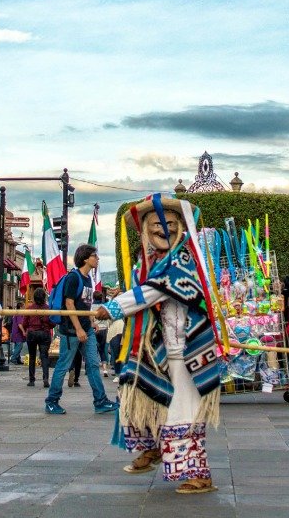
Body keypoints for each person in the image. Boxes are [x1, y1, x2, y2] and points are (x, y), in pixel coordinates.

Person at [95, 194, 224, 494]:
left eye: (170, 224)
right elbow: (145, 291)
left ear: (181, 227)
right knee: (144, 392)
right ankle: (153, 447)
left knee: (185, 412)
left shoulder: (183, 261)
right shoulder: (149, 262)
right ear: (145, 230)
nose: (164, 230)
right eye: (156, 225)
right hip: (160, 347)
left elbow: (152, 292)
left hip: (187, 348)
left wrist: (114, 307)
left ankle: (199, 473)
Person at [45, 245, 115, 416]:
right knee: (63, 365)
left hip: (86, 329)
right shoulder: (73, 278)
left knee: (92, 364)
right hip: (70, 330)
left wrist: (91, 322)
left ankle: (100, 401)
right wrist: (78, 329)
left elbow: (85, 304)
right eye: (94, 256)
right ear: (85, 258)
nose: (97, 259)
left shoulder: (88, 279)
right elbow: (69, 304)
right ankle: (52, 401)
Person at [23, 288, 52, 387]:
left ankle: (31, 380)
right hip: (44, 333)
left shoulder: (29, 308)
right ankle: (45, 378)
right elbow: (52, 323)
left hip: (32, 333)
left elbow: (24, 323)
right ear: (44, 297)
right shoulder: (48, 309)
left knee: (32, 356)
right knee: (44, 356)